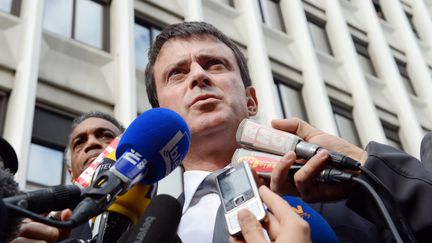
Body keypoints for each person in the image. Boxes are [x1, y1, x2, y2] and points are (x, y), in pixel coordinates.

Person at [145, 21, 432, 243]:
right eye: (177, 74)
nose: (198, 75)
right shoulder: (145, 230)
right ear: (159, 116)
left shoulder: (348, 191)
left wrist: (367, 170)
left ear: (251, 100)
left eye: (214, 64)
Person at [9, 111, 124, 243]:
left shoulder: (152, 207)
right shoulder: (51, 231)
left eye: (105, 136)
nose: (91, 143)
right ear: (71, 174)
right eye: (79, 143)